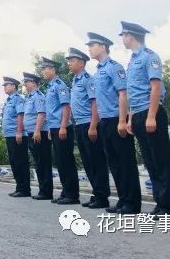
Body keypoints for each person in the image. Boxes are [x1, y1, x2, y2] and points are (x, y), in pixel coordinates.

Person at [121, 21, 170, 219]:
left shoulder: (149, 57)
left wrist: (152, 116)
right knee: (150, 161)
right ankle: (160, 203)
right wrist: (130, 118)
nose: (122, 38)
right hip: (138, 114)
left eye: (124, 35)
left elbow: (155, 87)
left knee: (160, 160)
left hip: (150, 112)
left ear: (131, 36)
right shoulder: (132, 60)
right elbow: (132, 92)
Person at [86, 31, 141, 215]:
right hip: (105, 122)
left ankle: (132, 203)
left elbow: (123, 94)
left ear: (103, 46)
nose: (90, 49)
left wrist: (122, 120)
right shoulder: (98, 71)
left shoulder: (113, 67)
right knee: (115, 163)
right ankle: (123, 200)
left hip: (117, 120)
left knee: (125, 162)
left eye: (92, 45)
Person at [66, 47, 110, 209]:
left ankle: (102, 197)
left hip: (89, 124)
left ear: (81, 63)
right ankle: (96, 193)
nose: (69, 64)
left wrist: (93, 125)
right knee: (87, 162)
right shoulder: (75, 80)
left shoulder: (87, 79)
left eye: (72, 61)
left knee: (96, 161)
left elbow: (94, 103)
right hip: (79, 124)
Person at [41, 56, 80, 205]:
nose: (43, 71)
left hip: (63, 128)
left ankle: (72, 195)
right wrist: (52, 128)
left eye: (45, 69)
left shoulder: (59, 85)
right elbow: (52, 110)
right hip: (55, 128)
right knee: (61, 162)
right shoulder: (50, 86)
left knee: (66, 161)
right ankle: (66, 192)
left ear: (53, 69)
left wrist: (63, 126)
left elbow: (66, 107)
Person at [22, 72, 52, 200]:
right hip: (32, 133)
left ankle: (46, 191)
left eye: (27, 82)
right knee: (38, 162)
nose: (25, 84)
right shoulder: (29, 97)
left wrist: (37, 131)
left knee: (43, 162)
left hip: (39, 133)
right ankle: (42, 189)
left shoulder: (38, 96)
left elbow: (41, 114)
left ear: (33, 83)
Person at [1, 76, 30, 197]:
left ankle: (24, 189)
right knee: (14, 162)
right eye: (4, 85)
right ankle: (19, 187)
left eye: (7, 85)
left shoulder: (18, 99)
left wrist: (19, 132)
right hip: (9, 135)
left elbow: (20, 115)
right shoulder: (8, 100)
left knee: (20, 162)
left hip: (17, 135)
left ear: (13, 86)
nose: (4, 87)